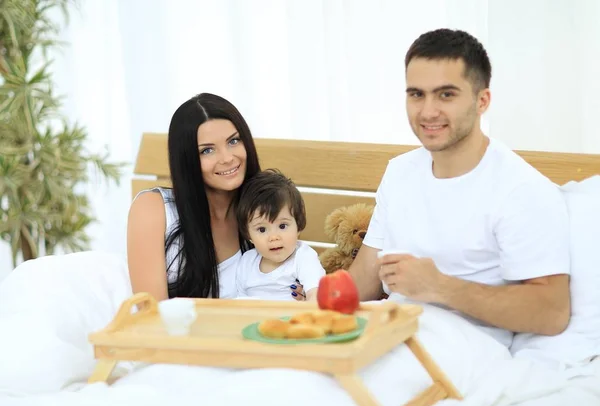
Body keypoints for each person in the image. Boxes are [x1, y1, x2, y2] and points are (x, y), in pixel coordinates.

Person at [349, 29, 570, 348]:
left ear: (483, 100)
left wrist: (440, 286)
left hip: (464, 348)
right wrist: (304, 317)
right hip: (388, 330)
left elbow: (552, 312)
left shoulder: (522, 189)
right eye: (416, 94)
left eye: (446, 94)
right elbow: (365, 279)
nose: (427, 112)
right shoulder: (400, 172)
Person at [126, 93, 297, 301]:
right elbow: (151, 313)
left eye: (233, 141)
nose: (227, 158)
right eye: (207, 150)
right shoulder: (153, 208)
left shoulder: (262, 208)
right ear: (187, 160)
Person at [235, 169, 326, 301]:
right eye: (261, 229)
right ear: (249, 235)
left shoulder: (303, 257)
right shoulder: (247, 261)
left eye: (282, 226)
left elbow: (316, 294)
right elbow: (239, 303)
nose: (274, 237)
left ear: (298, 226)